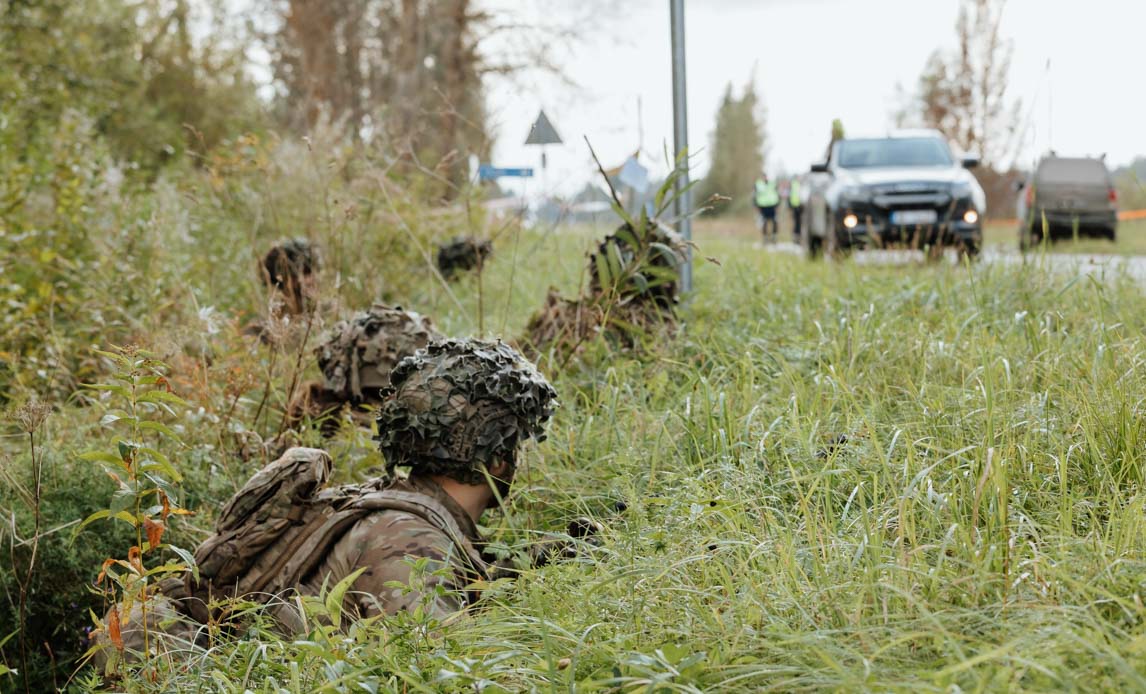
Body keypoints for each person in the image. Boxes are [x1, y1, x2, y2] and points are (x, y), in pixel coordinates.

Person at [92, 339, 562, 669]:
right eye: (514, 447)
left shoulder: (384, 504)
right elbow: (440, 668)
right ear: (497, 460)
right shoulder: (407, 537)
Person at [754, 174, 780, 242]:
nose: (764, 178)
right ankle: (765, 237)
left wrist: (777, 205)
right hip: (763, 206)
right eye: (763, 176)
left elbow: (777, 194)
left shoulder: (773, 184)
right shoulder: (758, 184)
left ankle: (774, 236)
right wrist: (756, 206)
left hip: (772, 205)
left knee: (775, 221)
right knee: (764, 222)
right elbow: (755, 195)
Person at [788, 176, 804, 243]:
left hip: (802, 207)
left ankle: (800, 237)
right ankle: (796, 238)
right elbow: (790, 195)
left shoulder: (803, 184)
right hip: (795, 206)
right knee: (796, 222)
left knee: (801, 222)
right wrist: (790, 205)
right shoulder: (793, 184)